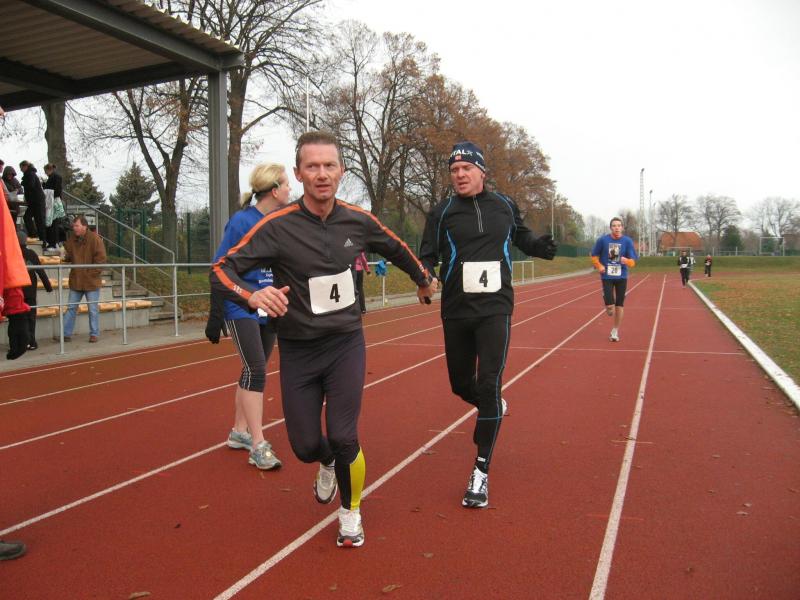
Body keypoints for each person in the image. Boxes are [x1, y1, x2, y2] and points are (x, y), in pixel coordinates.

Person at [210, 130, 434, 548]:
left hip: (345, 343)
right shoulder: (277, 226)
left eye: (329, 165)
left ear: (341, 171)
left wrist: (422, 279)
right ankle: (325, 461)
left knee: (345, 434)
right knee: (304, 444)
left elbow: (396, 247)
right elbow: (221, 268)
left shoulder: (357, 220)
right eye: (312, 166)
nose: (321, 174)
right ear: (298, 174)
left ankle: (351, 512)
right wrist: (251, 294)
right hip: (298, 349)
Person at [418, 141, 558, 509]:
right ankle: (491, 404)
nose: (460, 175)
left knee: (489, 382)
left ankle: (480, 471)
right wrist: (425, 277)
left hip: (496, 307)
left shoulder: (504, 205)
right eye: (454, 170)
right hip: (456, 308)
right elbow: (426, 255)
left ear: (482, 171)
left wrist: (538, 246)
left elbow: (520, 235)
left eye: (466, 169)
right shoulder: (442, 212)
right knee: (461, 385)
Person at [207, 163, 291, 471]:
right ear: (274, 190)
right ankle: (258, 444)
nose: (290, 189)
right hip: (240, 305)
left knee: (254, 368)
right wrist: (218, 311)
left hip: (267, 305)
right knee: (255, 369)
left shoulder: (280, 221)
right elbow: (219, 267)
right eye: (286, 184)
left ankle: (238, 431)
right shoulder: (241, 222)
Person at [59, 215, 107, 342]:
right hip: (76, 280)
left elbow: (101, 260)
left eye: (77, 225)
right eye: (73, 226)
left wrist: (90, 274)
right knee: (71, 308)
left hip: (91, 281)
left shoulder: (95, 239)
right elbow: (69, 256)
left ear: (84, 226)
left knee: (92, 309)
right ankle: (65, 334)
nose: (74, 228)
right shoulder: (72, 239)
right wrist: (63, 255)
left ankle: (94, 334)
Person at [591, 217, 638, 342]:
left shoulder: (627, 241)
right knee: (610, 309)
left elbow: (633, 262)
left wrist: (627, 261)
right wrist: (599, 266)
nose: (617, 228)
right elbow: (594, 256)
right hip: (607, 276)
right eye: (614, 225)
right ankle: (607, 301)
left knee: (620, 304)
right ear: (610, 228)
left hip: (622, 276)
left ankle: (615, 330)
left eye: (619, 225)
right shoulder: (603, 240)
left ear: (622, 227)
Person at [18, 230, 53, 350]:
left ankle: (20, 343)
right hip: (30, 291)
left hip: (17, 291)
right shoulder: (31, 254)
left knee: (18, 318)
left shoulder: (13, 253)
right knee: (31, 317)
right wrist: (48, 287)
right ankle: (31, 342)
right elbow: (40, 271)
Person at [19, 161, 47, 241]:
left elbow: (31, 185)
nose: (21, 169)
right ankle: (34, 234)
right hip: (33, 202)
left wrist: (23, 182)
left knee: (39, 220)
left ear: (25, 166)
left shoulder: (30, 174)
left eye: (21, 167)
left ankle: (42, 239)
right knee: (27, 217)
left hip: (37, 201)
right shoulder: (29, 174)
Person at [43, 163, 65, 251]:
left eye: (45, 171)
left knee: (53, 223)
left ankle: (53, 242)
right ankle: (52, 242)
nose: (45, 173)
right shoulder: (53, 177)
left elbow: (57, 191)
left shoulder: (56, 177)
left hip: (53, 202)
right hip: (52, 201)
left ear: (48, 169)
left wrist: (47, 190)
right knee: (52, 222)